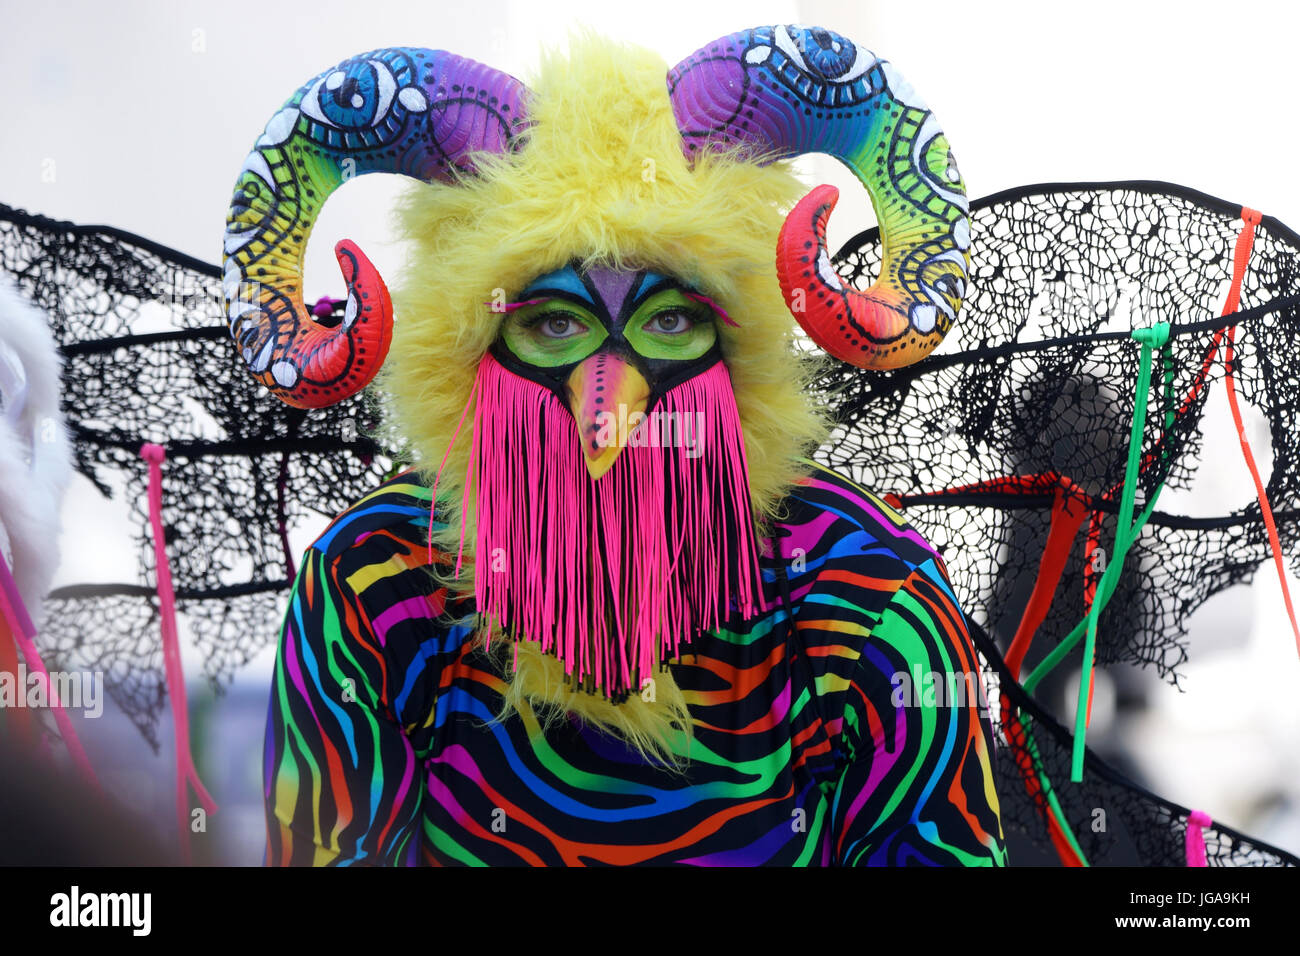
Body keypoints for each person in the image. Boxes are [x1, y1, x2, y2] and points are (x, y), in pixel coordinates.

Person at [229, 25, 1006, 865]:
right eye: (552, 324)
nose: (613, 404)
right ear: (474, 360)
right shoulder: (377, 583)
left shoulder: (864, 590)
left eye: (670, 320)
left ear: (735, 353)